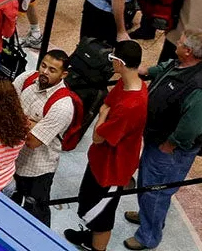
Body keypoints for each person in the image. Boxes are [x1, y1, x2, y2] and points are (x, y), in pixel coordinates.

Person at [125, 32, 202, 251]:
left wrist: (171, 144)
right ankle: (149, 217)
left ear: (189, 52)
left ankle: (148, 237)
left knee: (156, 191)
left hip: (170, 151)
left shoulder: (199, 86)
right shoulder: (182, 64)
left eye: (181, 43)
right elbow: (162, 69)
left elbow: (192, 127)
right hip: (157, 139)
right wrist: (139, 70)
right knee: (149, 187)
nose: (176, 43)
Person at [63, 40, 149, 251]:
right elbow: (107, 103)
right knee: (89, 205)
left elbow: (98, 135)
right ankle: (88, 236)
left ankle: (97, 248)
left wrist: (102, 115)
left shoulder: (132, 105)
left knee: (102, 218)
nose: (110, 63)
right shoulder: (127, 84)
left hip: (113, 169)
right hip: (101, 161)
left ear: (119, 62)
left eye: (112, 59)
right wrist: (104, 113)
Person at [11, 50, 76, 225]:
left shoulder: (62, 106)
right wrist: (31, 123)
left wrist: (17, 118)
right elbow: (7, 108)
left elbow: (33, 142)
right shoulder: (26, 79)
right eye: (44, 66)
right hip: (13, 158)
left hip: (38, 168)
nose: (45, 72)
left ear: (64, 74)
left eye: (52, 70)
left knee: (37, 213)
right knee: (14, 202)